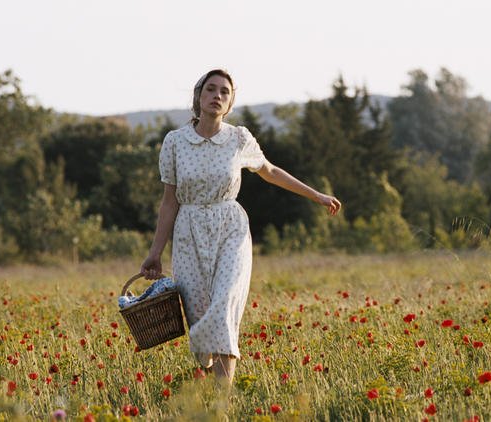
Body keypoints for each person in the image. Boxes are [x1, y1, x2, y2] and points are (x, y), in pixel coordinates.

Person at [140, 69, 341, 385]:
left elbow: (270, 171)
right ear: (199, 96)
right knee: (200, 322)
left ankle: (223, 407)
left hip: (230, 228)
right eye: (211, 89)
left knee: (223, 311)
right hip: (188, 233)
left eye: (224, 91)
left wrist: (315, 195)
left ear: (230, 102)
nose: (217, 95)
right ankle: (209, 377)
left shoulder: (238, 138)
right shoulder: (175, 142)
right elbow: (169, 202)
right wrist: (155, 253)